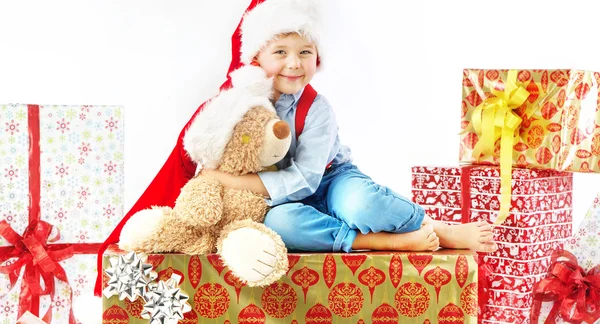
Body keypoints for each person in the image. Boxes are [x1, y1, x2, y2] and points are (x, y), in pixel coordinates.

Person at [94, 0, 496, 296]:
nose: (294, 63)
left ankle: (430, 226)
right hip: (272, 203)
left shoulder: (316, 108)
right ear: (256, 57)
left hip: (329, 180)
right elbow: (206, 155)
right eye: (280, 52)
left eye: (305, 52)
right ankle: (371, 242)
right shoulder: (237, 105)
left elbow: (306, 179)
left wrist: (232, 181)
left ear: (317, 58)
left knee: (363, 206)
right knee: (280, 227)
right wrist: (215, 180)